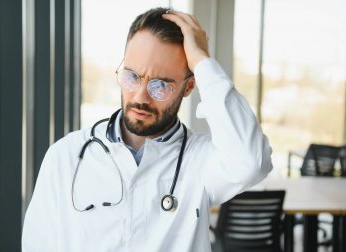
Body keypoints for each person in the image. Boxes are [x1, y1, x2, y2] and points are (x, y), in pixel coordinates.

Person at [22, 7, 272, 252]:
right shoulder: (66, 155)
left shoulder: (201, 160)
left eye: (160, 85)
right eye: (132, 77)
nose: (141, 97)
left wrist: (203, 62)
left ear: (188, 87)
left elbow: (252, 161)